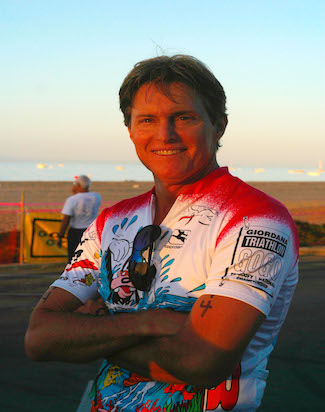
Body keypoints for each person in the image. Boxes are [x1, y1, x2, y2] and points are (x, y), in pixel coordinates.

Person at [25, 55, 299, 411]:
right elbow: (40, 337)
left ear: (219, 125)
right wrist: (151, 322)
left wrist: (95, 331)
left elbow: (201, 362)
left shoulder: (254, 219)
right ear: (131, 130)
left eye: (183, 117)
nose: (164, 134)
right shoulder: (112, 220)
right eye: (148, 120)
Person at [57, 174, 101, 262]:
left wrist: (60, 236)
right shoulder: (96, 197)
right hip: (91, 230)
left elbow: (66, 219)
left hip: (75, 231)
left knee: (74, 258)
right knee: (89, 257)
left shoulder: (72, 200)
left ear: (78, 185)